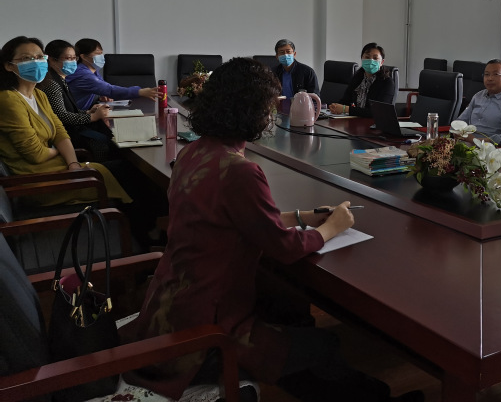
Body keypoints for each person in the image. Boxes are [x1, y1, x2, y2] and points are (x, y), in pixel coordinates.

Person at [122, 57, 422, 402]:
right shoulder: (240, 171)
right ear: (252, 111)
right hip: (204, 332)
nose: (271, 115)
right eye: (269, 107)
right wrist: (332, 228)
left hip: (171, 308)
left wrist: (303, 216)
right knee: (325, 344)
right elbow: (283, 247)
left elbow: (239, 220)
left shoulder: (194, 153)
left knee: (289, 316)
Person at [0, 36, 130, 208]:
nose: (36, 62)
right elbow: (36, 154)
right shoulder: (8, 100)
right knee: (131, 175)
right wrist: (58, 151)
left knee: (129, 171)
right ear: (8, 65)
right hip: (41, 182)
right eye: (26, 58)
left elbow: (60, 132)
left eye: (39, 57)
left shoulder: (39, 95)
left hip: (61, 170)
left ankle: (135, 219)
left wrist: (73, 164)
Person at [38, 39, 115, 162]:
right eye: (68, 58)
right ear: (52, 60)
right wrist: (93, 117)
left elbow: (69, 109)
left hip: (73, 129)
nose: (73, 62)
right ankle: (101, 169)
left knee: (106, 136)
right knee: (104, 141)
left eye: (74, 58)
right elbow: (61, 116)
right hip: (66, 135)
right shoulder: (52, 84)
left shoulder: (60, 79)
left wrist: (88, 112)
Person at [66, 38, 158, 110]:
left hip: (85, 112)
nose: (101, 57)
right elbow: (110, 90)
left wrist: (101, 95)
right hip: (78, 119)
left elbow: (102, 88)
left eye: (101, 53)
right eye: (97, 54)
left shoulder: (93, 71)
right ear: (83, 56)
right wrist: (140, 92)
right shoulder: (83, 75)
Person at [455, 59, 501, 145]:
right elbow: (460, 121)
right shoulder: (478, 96)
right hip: (464, 144)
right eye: (487, 74)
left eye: (495, 74)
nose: (490, 78)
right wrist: (457, 130)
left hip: (487, 149)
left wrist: (476, 141)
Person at [329, 43, 395, 118]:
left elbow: (378, 112)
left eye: (375, 58)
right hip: (356, 120)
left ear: (382, 62)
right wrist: (335, 106)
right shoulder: (358, 77)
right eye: (367, 57)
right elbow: (345, 100)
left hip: (374, 123)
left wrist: (346, 109)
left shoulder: (387, 82)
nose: (371, 60)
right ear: (362, 59)